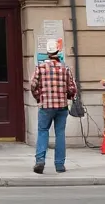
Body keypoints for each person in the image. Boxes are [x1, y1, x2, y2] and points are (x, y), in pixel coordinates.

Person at [29, 38, 78, 174]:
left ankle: (40, 161)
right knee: (60, 134)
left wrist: (39, 96)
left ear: (47, 53)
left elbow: (33, 85)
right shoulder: (65, 68)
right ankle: (60, 165)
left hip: (46, 106)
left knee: (43, 131)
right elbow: (73, 88)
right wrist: (67, 95)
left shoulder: (41, 67)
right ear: (58, 51)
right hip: (61, 106)